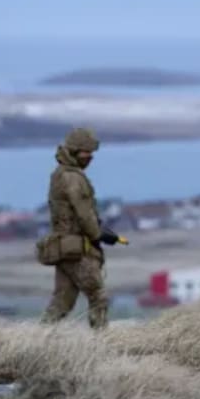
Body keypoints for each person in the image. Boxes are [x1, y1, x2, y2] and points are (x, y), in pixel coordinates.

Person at [39, 127, 120, 329]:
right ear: (75, 151)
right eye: (87, 152)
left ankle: (39, 340)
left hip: (63, 247)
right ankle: (102, 343)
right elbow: (83, 213)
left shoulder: (60, 174)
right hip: (77, 248)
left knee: (62, 301)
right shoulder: (73, 178)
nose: (90, 157)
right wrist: (98, 234)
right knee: (98, 296)